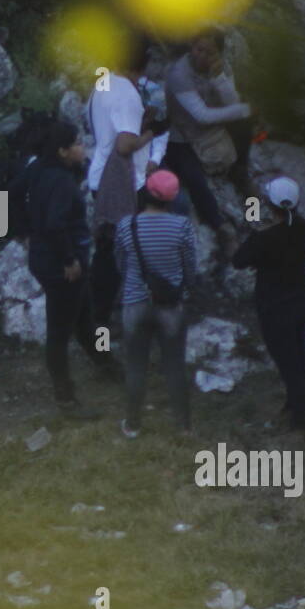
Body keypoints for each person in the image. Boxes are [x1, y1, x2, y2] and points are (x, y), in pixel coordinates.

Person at [25, 121, 123, 421]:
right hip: (62, 268)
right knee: (59, 333)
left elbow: (15, 194)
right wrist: (69, 260)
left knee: (84, 317)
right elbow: (55, 224)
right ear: (63, 151)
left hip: (43, 257)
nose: (83, 148)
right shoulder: (63, 184)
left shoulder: (37, 170)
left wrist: (27, 230)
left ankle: (107, 364)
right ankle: (66, 400)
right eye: (78, 143)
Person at [87, 37, 167, 331]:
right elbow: (124, 145)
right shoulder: (127, 94)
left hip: (100, 177)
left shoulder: (104, 82)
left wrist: (139, 125)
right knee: (121, 249)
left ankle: (100, 311)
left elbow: (108, 130)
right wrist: (152, 133)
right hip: (124, 183)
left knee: (107, 248)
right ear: (142, 65)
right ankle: (108, 314)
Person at [112, 169, 196, 439]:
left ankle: (133, 424)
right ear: (172, 199)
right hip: (170, 305)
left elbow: (121, 265)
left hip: (135, 304)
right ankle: (183, 426)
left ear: (146, 192)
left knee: (136, 365)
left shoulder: (127, 225)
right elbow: (190, 269)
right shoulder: (182, 226)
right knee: (174, 365)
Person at [162, 26, 255, 260]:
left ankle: (239, 171)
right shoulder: (179, 75)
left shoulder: (221, 68)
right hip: (184, 135)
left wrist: (219, 79)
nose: (202, 56)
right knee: (193, 178)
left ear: (218, 55)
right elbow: (200, 115)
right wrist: (242, 110)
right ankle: (221, 227)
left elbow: (230, 100)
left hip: (214, 126)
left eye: (209, 52)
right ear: (192, 47)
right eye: (198, 49)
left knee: (245, 123)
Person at [231, 177, 305, 430]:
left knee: (287, 363)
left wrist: (254, 231)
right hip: (302, 300)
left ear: (269, 203)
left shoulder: (265, 238)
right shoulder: (302, 227)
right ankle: (294, 404)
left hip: (275, 308)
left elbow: (238, 260)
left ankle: (300, 420)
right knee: (297, 357)